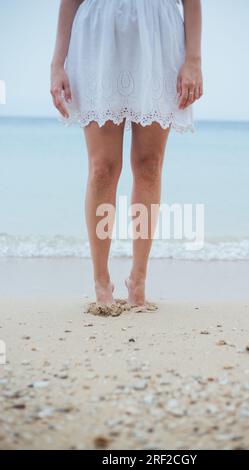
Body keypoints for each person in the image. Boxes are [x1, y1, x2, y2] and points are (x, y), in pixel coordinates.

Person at [51, 0, 203, 306]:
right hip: (99, 36)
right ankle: (101, 281)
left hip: (158, 35)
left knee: (149, 165)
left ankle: (138, 280)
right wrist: (57, 63)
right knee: (102, 167)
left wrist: (193, 59)